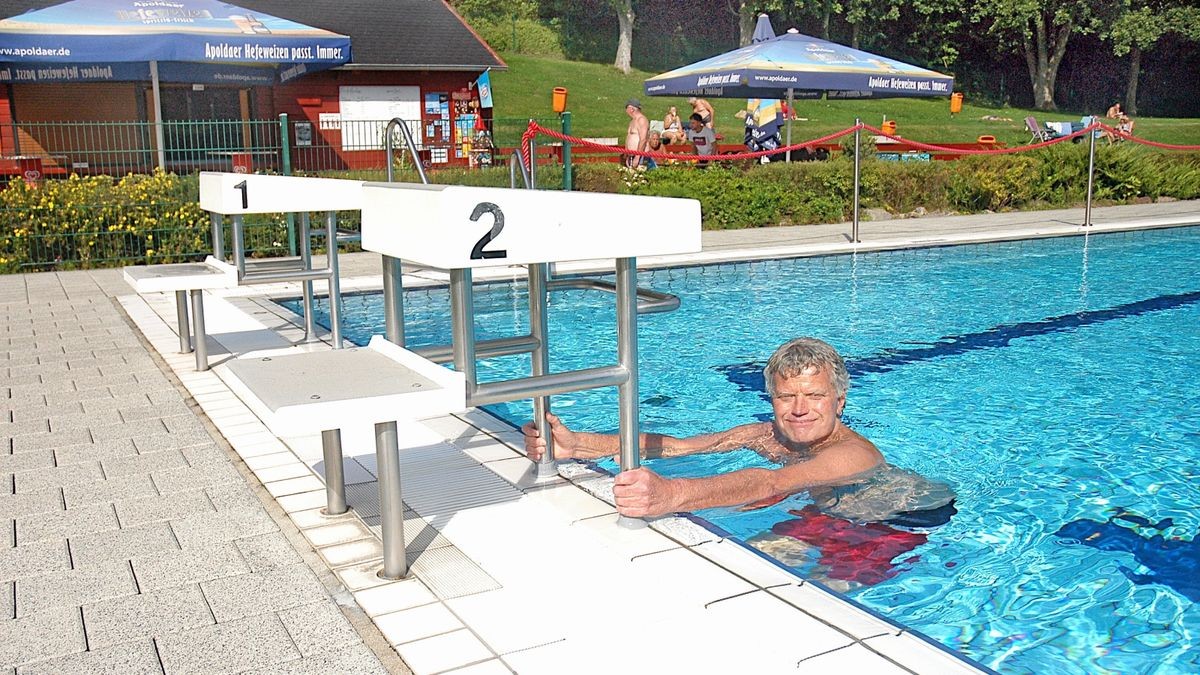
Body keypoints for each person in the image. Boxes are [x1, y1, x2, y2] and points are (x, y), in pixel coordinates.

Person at [522, 337, 956, 524]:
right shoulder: (763, 434)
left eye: (815, 396)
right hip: (828, 513)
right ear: (771, 399)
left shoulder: (852, 454)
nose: (800, 409)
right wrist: (579, 444)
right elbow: (676, 447)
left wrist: (672, 496)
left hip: (893, 523)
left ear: (839, 401)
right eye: (787, 397)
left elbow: (773, 482)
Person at [624, 98, 650, 168]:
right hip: (631, 156)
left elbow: (643, 139)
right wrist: (626, 155)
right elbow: (629, 137)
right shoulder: (632, 121)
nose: (626, 111)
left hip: (640, 156)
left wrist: (637, 157)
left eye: (626, 108)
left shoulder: (641, 120)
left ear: (631, 109)